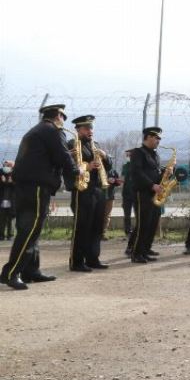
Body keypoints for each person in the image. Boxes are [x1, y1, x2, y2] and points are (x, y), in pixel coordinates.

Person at [0, 104, 78, 290]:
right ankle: (11, 273)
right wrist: (77, 170)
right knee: (29, 230)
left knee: (30, 229)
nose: (63, 122)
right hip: (35, 187)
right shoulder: (52, 130)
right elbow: (62, 157)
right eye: (63, 117)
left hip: (26, 187)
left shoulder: (36, 131)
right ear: (58, 115)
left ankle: (31, 271)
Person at [66, 115, 112, 272]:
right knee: (82, 226)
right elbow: (68, 166)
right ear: (78, 129)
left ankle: (93, 258)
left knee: (97, 226)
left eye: (91, 128)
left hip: (98, 189)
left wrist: (105, 156)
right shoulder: (72, 144)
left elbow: (109, 166)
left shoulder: (95, 145)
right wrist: (87, 166)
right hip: (82, 190)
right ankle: (77, 262)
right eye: (86, 128)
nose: (90, 131)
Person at [129, 127, 169, 263]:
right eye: (157, 138)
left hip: (155, 194)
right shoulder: (138, 153)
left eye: (159, 138)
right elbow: (137, 172)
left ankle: (145, 250)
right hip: (143, 193)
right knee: (143, 224)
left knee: (152, 223)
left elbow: (155, 172)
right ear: (148, 137)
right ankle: (136, 253)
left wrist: (166, 173)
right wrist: (151, 185)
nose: (159, 140)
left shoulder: (155, 154)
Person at [122, 149, 136, 254]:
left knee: (137, 214)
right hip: (126, 194)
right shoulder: (126, 166)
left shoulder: (138, 165)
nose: (129, 156)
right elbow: (123, 178)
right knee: (127, 214)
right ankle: (128, 230)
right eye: (129, 155)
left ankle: (135, 230)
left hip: (135, 193)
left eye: (131, 155)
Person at [0, 160, 15, 240]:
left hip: (12, 201)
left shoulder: (15, 174)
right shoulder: (0, 173)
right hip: (2, 200)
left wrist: (12, 182)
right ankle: (1, 235)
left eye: (8, 165)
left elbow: (18, 187)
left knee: (11, 219)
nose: (6, 167)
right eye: (5, 165)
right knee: (1, 219)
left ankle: (11, 235)